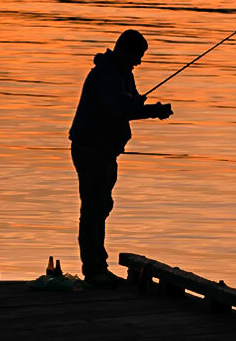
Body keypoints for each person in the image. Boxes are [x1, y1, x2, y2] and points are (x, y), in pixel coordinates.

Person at [68, 28, 173, 284]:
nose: (139, 62)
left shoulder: (122, 74)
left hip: (105, 151)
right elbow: (118, 110)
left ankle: (98, 267)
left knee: (102, 205)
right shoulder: (106, 74)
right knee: (94, 208)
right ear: (125, 50)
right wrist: (152, 111)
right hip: (91, 149)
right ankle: (93, 270)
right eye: (138, 56)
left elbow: (128, 104)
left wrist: (143, 105)